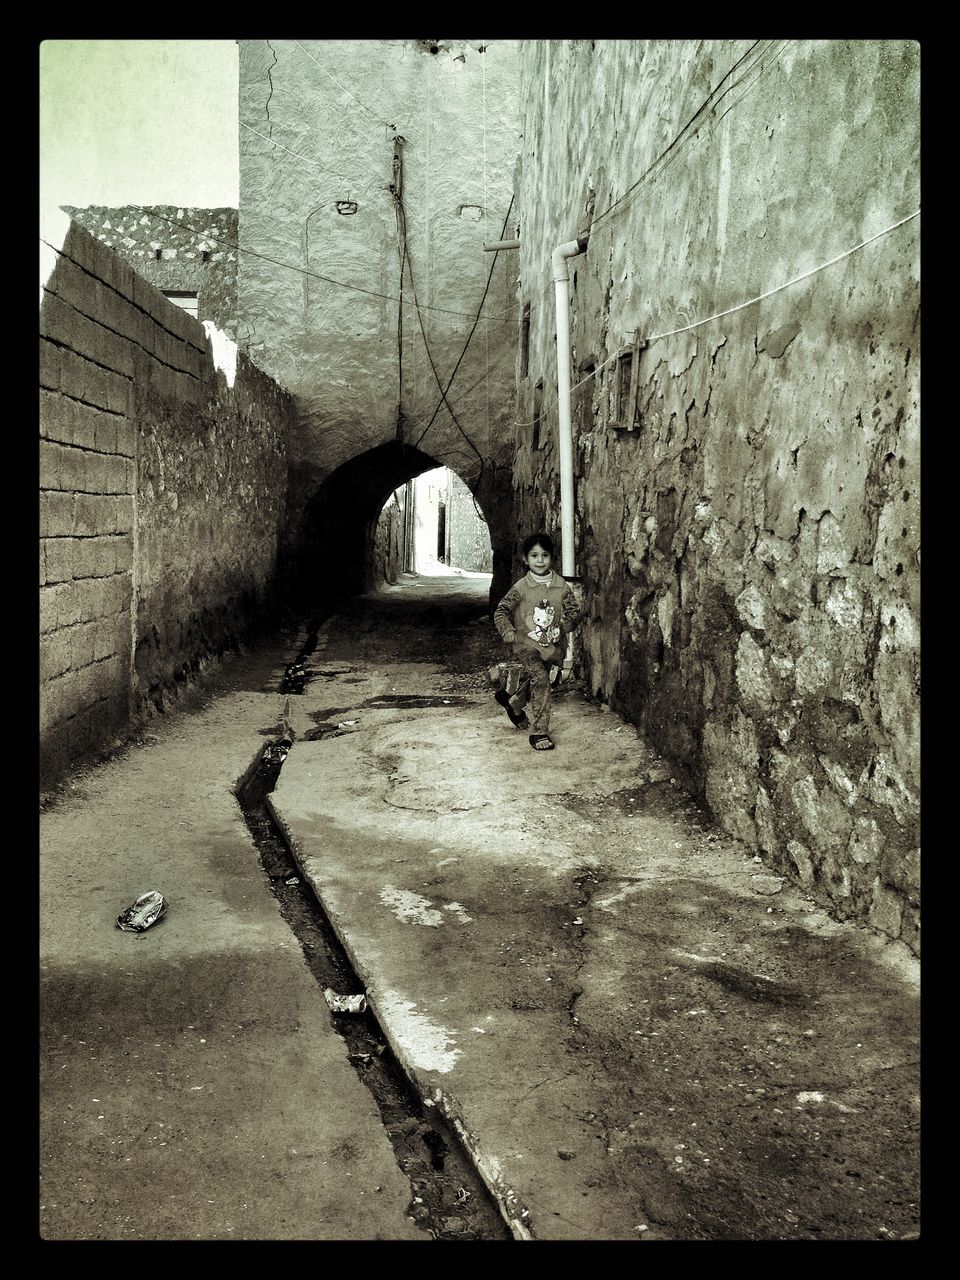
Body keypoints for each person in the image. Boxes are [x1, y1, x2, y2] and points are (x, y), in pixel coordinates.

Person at [493, 532, 584, 751]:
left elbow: (574, 612)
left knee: (543, 680)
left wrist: (565, 625)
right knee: (541, 678)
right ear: (526, 559)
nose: (540, 560)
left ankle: (514, 702)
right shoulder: (521, 588)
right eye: (534, 556)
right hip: (527, 645)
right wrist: (507, 630)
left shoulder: (561, 586)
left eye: (544, 555)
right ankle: (540, 731)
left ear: (552, 558)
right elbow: (501, 611)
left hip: (552, 647)